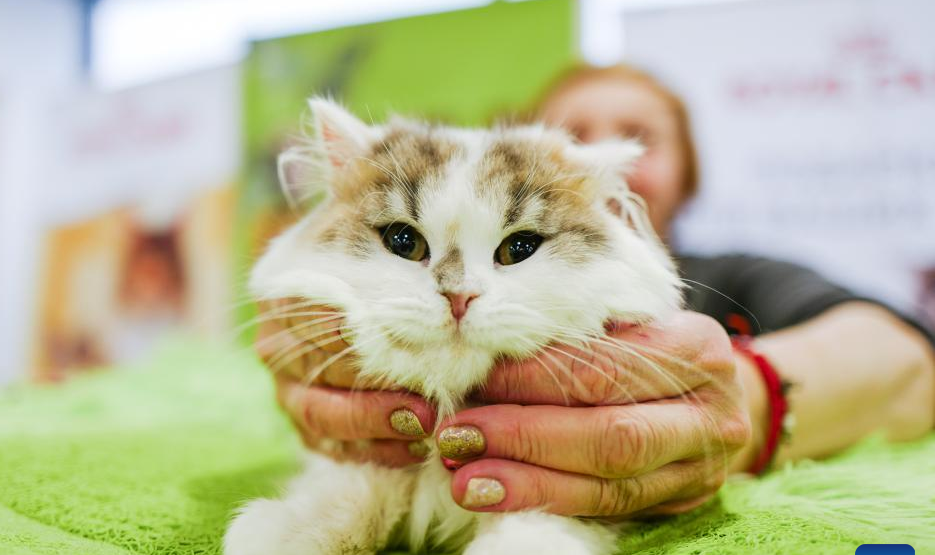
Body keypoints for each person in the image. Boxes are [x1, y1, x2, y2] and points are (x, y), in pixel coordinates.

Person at [257, 64, 935, 518]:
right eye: (573, 134)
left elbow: (903, 355)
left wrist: (740, 401)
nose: (603, 154)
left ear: (689, 175)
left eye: (639, 137)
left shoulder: (731, 275)